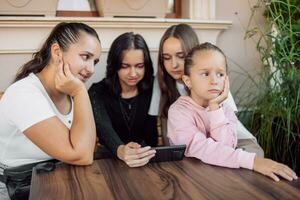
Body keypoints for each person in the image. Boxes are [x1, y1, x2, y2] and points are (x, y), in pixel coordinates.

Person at [168, 42, 298, 182]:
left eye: (220, 74)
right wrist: (253, 161)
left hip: (222, 178)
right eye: (205, 74)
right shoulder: (178, 111)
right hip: (191, 180)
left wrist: (215, 107)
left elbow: (226, 147)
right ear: (188, 81)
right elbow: (202, 148)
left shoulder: (224, 108)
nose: (214, 80)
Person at [0, 22, 101, 199]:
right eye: (86, 57)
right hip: (16, 190)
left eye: (95, 61)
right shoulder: (24, 94)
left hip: (56, 182)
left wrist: (77, 93)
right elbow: (82, 155)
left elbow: (87, 148)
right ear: (57, 52)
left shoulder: (70, 93)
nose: (91, 69)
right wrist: (80, 92)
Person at [149, 23, 264, 156]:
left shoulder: (214, 83)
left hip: (234, 140)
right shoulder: (162, 81)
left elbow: (227, 133)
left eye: (181, 56)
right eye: (167, 58)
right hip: (197, 144)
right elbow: (163, 127)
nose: (173, 64)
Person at [88, 32, 158, 168]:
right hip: (108, 160)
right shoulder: (97, 92)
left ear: (146, 65)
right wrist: (120, 149)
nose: (133, 74)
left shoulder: (154, 87)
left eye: (139, 66)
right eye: (125, 66)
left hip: (146, 159)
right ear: (114, 66)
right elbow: (103, 129)